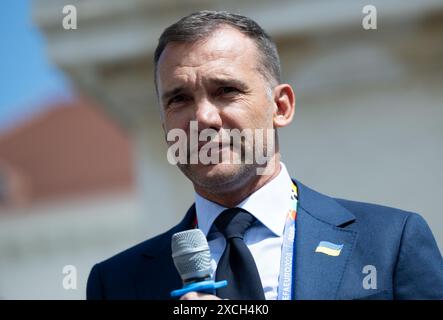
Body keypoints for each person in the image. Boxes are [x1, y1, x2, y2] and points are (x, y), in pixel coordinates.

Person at [86, 10, 443, 300]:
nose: (203, 118)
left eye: (225, 90)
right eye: (179, 99)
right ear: (165, 126)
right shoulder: (116, 284)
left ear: (281, 106)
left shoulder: (389, 244)